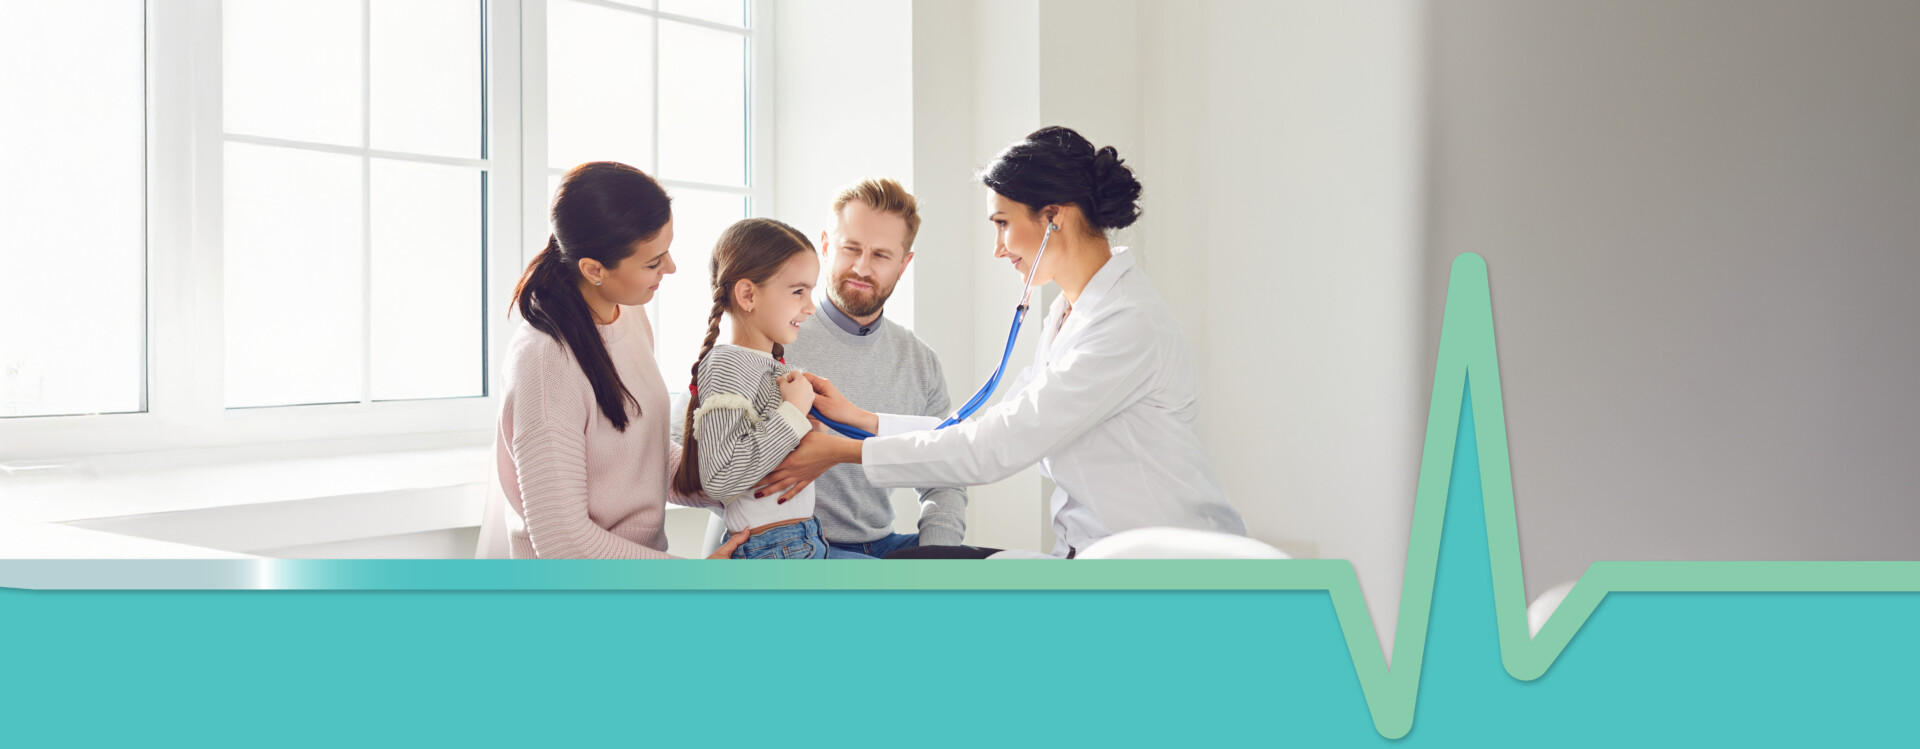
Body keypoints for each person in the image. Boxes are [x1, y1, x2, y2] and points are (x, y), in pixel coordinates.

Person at [755, 127, 1247, 559]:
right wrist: (865, 420)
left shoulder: (1127, 325)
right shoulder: (1069, 314)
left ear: (1053, 217)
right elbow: (992, 426)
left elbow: (995, 447)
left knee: (936, 572)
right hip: (1096, 552)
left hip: (1164, 563)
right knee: (933, 572)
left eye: (1002, 223)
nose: (997, 248)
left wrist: (845, 450)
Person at [487, 161, 745, 559]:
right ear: (594, 269)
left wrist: (737, 482)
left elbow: (641, 456)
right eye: (653, 262)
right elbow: (564, 544)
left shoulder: (628, 313)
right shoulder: (545, 364)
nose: (671, 268)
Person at [781, 178, 967, 558]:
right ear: (826, 245)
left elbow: (944, 475)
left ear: (904, 264)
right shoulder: (774, 337)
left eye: (881, 256)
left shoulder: (921, 362)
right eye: (851, 249)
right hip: (792, 548)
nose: (861, 268)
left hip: (883, 545)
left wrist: (938, 556)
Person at [670, 218, 874, 559]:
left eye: (810, 291)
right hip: (772, 549)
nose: (810, 307)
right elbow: (720, 478)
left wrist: (811, 425)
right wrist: (792, 412)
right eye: (798, 292)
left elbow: (774, 453)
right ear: (748, 295)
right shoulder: (726, 365)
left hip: (804, 537)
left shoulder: (774, 368)